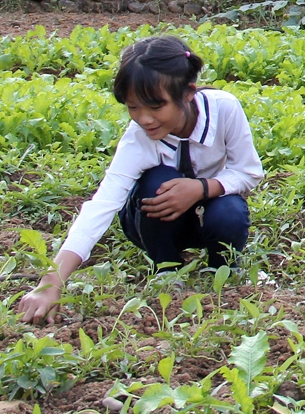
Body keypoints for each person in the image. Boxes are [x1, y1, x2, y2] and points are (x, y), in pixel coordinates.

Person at [16, 36, 264, 324]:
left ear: (188, 93)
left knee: (230, 209)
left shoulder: (225, 109)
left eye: (156, 106)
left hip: (209, 216)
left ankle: (222, 269)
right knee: (156, 181)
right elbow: (102, 204)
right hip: (154, 224)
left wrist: (200, 188)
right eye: (133, 108)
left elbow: (248, 171)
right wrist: (51, 284)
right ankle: (166, 268)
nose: (144, 119)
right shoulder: (138, 139)